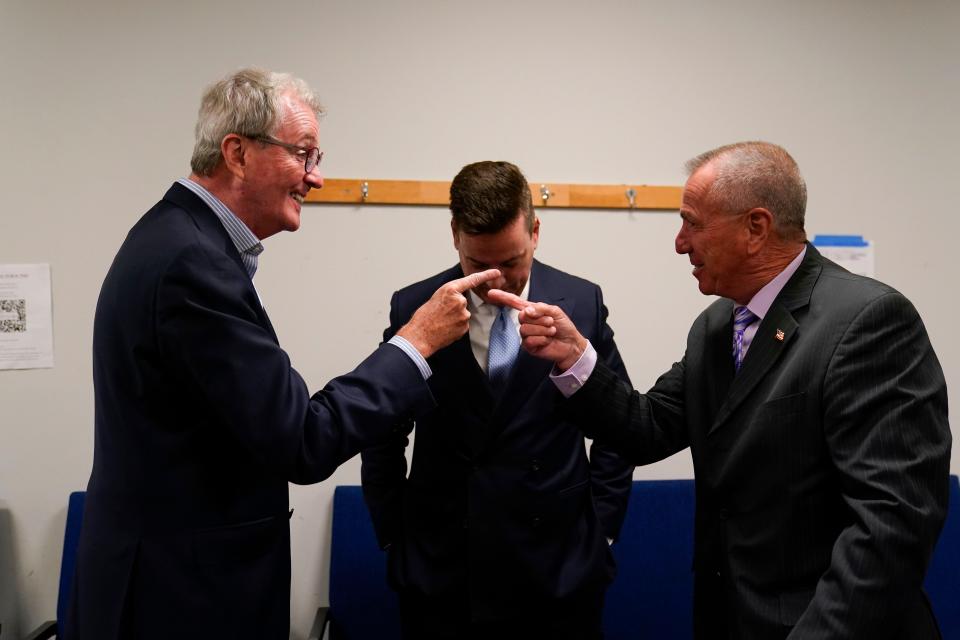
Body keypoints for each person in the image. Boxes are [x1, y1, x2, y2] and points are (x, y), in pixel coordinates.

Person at [65, 68, 500, 640]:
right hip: (180, 601)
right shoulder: (193, 264)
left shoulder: (176, 237)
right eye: (304, 155)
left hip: (172, 582)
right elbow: (301, 439)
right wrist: (415, 342)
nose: (315, 178)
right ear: (238, 153)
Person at [490, 142, 952, 639]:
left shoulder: (868, 322)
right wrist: (576, 358)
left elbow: (890, 525)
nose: (679, 243)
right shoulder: (716, 326)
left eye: (692, 222)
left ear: (756, 228)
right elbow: (648, 429)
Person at [360, 160, 635, 639]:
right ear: (454, 237)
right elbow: (383, 430)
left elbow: (620, 422)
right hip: (444, 569)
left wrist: (602, 530)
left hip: (558, 568)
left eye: (511, 262)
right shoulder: (415, 305)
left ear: (535, 230)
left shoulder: (582, 301)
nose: (496, 281)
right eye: (478, 264)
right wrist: (393, 533)